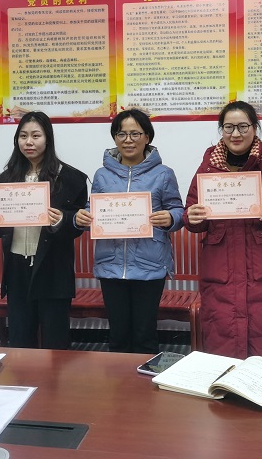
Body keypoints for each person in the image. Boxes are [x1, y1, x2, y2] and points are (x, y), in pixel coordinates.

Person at [183, 101, 262, 362]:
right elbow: (191, 213)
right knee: (222, 342)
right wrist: (193, 217)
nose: (236, 134)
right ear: (221, 130)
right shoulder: (207, 168)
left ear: (255, 128)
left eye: (243, 126)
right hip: (220, 270)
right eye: (228, 127)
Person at [74, 109, 184, 353]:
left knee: (145, 335)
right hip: (111, 265)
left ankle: (144, 377)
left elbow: (178, 210)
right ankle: (118, 378)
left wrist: (170, 218)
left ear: (147, 137)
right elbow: (93, 208)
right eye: (121, 134)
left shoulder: (163, 174)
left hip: (150, 264)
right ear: (114, 138)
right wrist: (82, 217)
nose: (128, 140)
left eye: (135, 133)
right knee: (118, 334)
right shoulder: (102, 175)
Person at [0, 112, 88, 349]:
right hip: (17, 267)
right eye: (23, 136)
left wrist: (62, 220)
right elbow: (0, 229)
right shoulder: (4, 180)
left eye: (35, 136)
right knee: (20, 338)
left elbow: (77, 225)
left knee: (55, 341)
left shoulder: (71, 179)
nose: (28, 142)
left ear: (47, 138)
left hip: (53, 267)